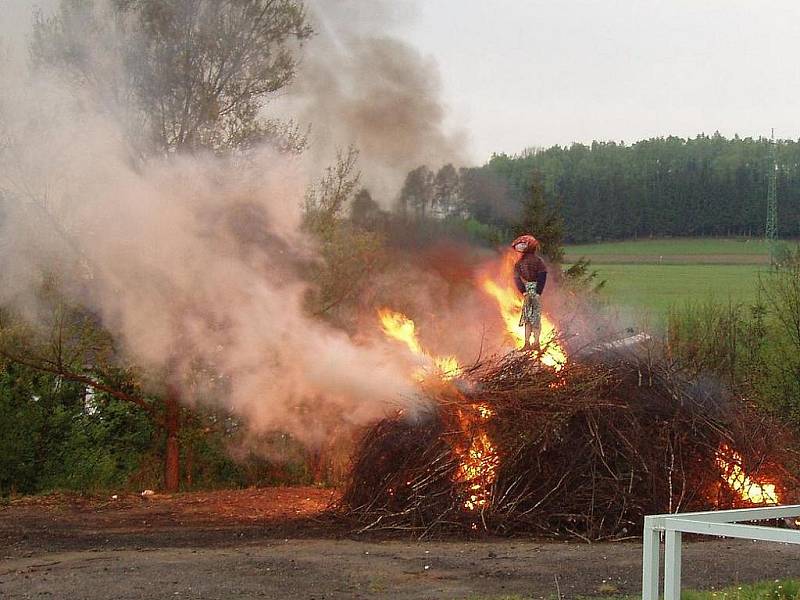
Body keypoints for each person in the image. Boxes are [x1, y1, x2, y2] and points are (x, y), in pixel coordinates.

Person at [512, 234, 547, 351]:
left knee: (527, 318)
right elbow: (543, 276)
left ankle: (527, 343)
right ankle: (536, 342)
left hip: (527, 290)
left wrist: (523, 291)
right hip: (534, 290)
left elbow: (516, 278)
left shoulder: (519, 263)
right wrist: (538, 292)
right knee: (535, 318)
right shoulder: (538, 261)